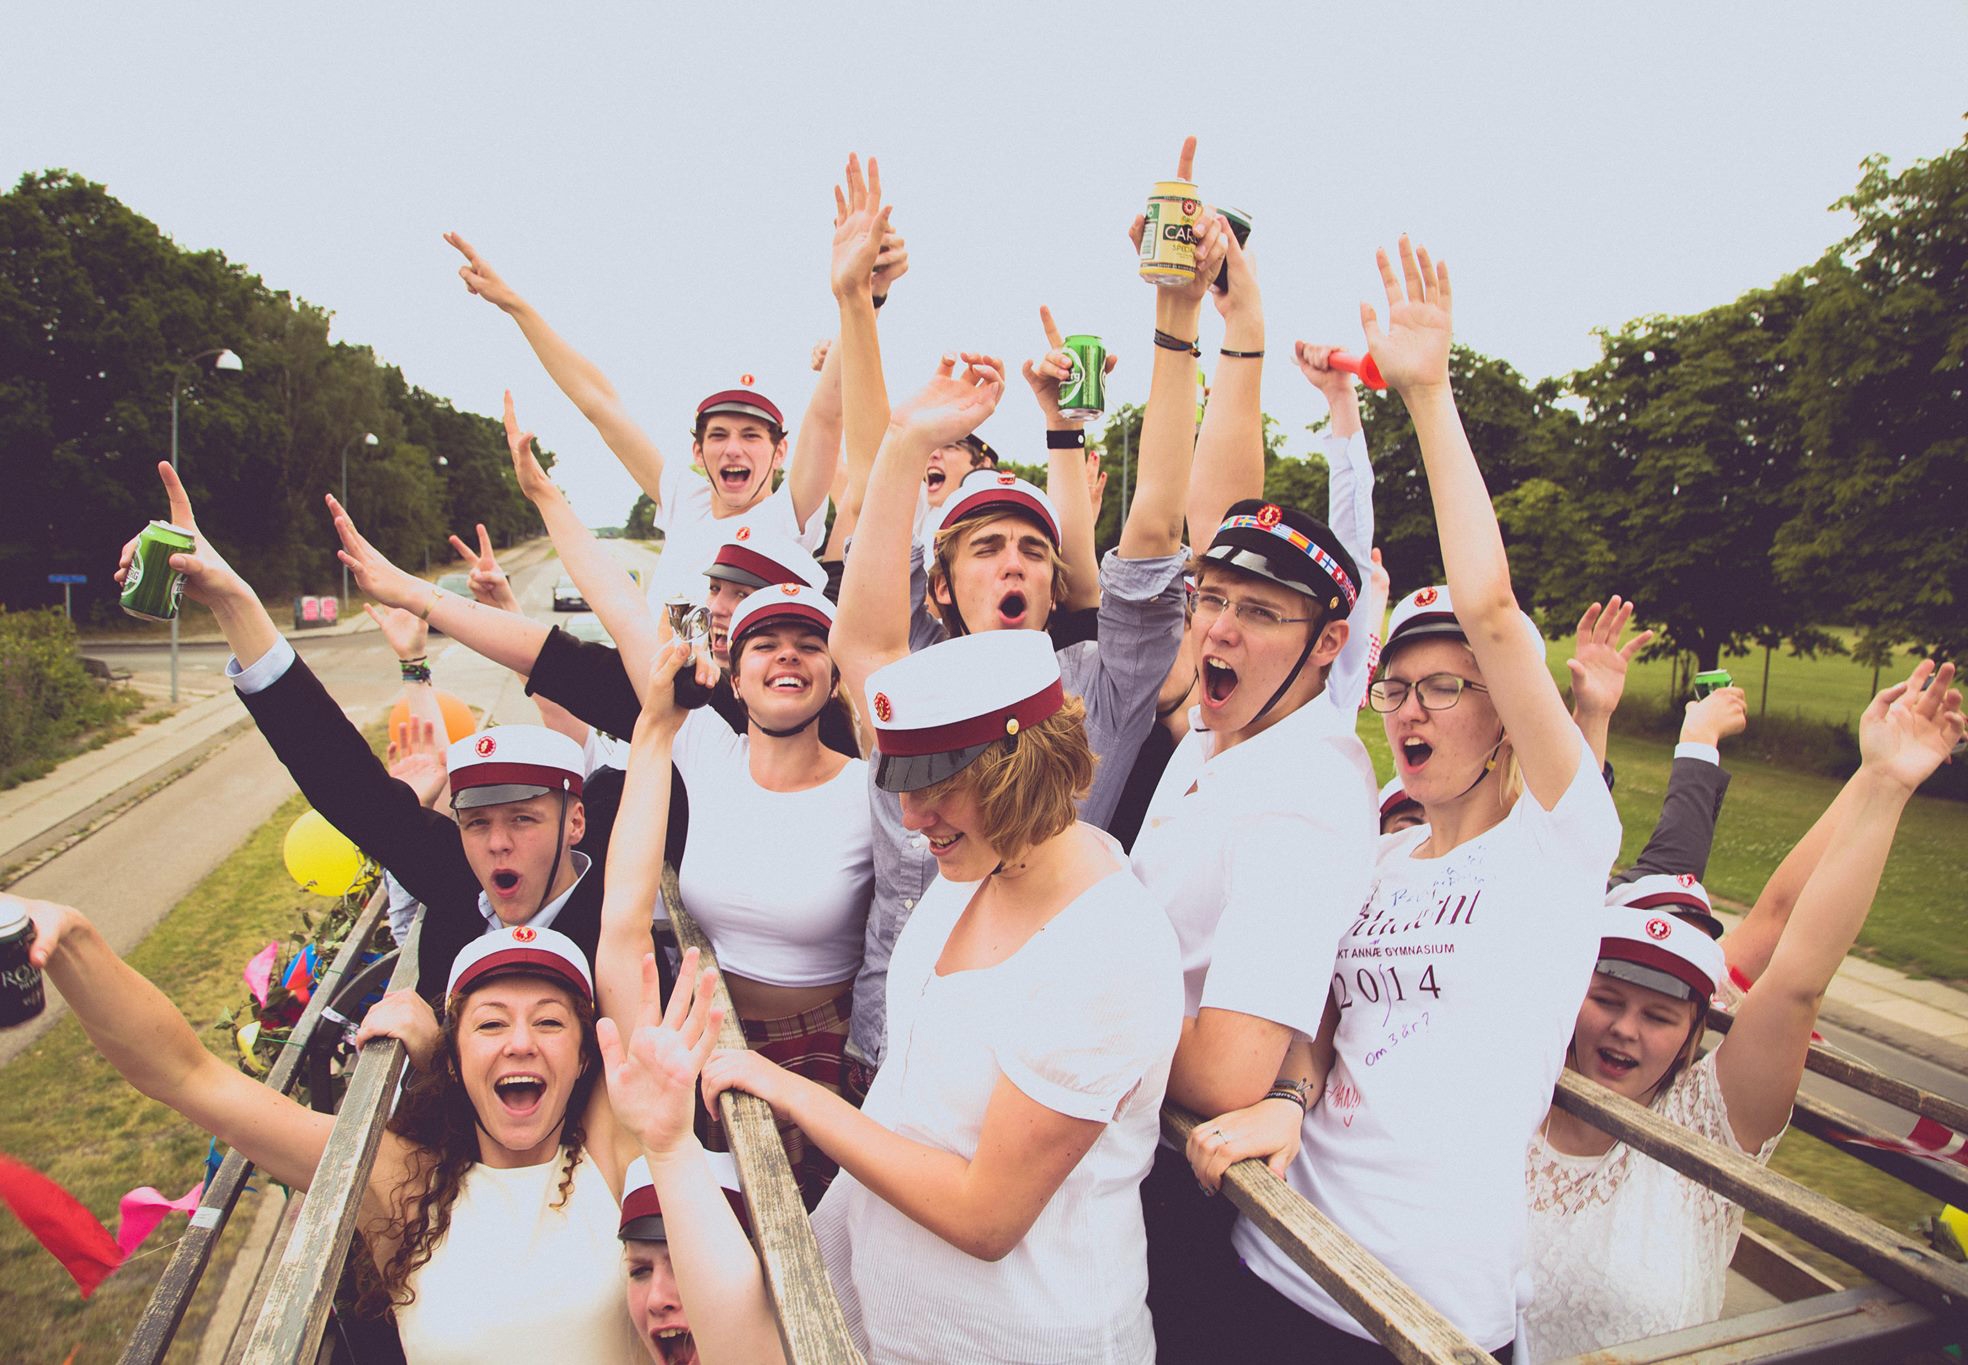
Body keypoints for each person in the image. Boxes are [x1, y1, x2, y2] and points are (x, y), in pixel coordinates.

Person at [1206, 239, 1622, 1361]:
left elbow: (1488, 604)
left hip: (1418, 1315)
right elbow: (1322, 1024)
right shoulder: (1379, 859)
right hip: (1272, 1252)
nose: (1410, 710)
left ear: (1507, 716)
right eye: (1398, 686)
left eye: (1448, 688)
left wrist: (1426, 395)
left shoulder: (1562, 844)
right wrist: (1288, 1098)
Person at [827, 143, 1201, 1089]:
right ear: (940, 586)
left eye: (1034, 548)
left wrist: (1176, 313)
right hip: (888, 1041)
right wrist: (874, 353)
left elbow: (1154, 521)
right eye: (985, 546)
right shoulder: (910, 683)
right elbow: (862, 624)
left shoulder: (1095, 692)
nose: (1015, 562)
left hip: (1035, 1057)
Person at [701, 629, 1183, 1361]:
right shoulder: (978, 866)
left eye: (939, 786)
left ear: (1022, 763)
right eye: (904, 787)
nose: (913, 819)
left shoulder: (1106, 945)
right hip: (896, 1323)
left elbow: (984, 1216)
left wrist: (792, 1092)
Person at [1523, 661, 1962, 1360]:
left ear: (1698, 1026)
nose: (1625, 1028)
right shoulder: (1520, 1079)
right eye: (1607, 999)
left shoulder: (1712, 1119)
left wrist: (1883, 785)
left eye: (1660, 1016)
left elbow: (1795, 978)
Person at [1121, 200, 1379, 1362]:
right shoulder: (1212, 736)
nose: (1220, 629)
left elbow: (1228, 1067)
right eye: (1212, 599)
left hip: (1175, 1187)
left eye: (1262, 613)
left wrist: (1059, 996)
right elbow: (1209, 497)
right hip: (1127, 1142)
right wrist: (1229, 323)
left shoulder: (1306, 790)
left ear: (1329, 646)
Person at [11, 904, 646, 1363]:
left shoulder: (615, 1151)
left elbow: (625, 924)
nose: (520, 1043)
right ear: (454, 1060)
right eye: (490, 1025)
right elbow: (188, 1076)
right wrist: (75, 944)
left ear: (585, 1057)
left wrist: (653, 733)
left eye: (549, 1023)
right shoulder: (399, 1183)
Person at [114, 462, 624, 1000]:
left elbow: (638, 705)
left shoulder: (618, 896)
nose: (497, 845)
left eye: (524, 818)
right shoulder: (456, 880)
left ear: (576, 822)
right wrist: (233, 601)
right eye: (475, 823)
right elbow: (343, 781)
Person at [442, 230, 891, 610]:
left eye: (751, 435)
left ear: (780, 454)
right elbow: (600, 403)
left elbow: (827, 415)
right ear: (698, 452)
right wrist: (515, 305)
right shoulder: (685, 499)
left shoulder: (789, 511)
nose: (733, 448)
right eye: (718, 435)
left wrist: (863, 296)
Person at [668, 584, 873, 1206]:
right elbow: (629, 619)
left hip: (824, 1053)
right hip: (710, 1040)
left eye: (809, 646)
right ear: (733, 679)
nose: (787, 657)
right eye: (764, 645)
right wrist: (547, 501)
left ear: (833, 679)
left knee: (813, 1243)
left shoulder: (873, 791)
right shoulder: (705, 749)